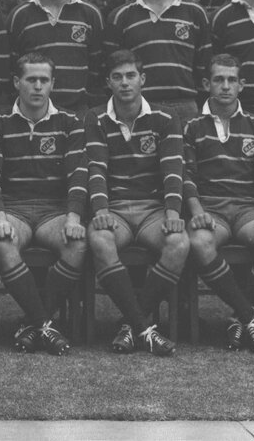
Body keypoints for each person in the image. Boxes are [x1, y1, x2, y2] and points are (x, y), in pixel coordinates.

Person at [182, 54, 254, 351]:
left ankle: (239, 316)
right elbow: (186, 175)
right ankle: (250, 316)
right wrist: (197, 211)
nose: (225, 86)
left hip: (246, 209)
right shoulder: (191, 126)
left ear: (242, 85)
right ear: (206, 84)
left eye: (232, 80)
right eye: (218, 80)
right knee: (199, 242)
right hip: (210, 208)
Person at [85, 49, 187, 356]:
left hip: (152, 209)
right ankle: (143, 327)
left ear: (142, 79)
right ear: (108, 82)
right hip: (115, 208)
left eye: (131, 76)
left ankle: (131, 324)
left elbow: (173, 169)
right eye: (117, 77)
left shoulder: (166, 117)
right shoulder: (95, 118)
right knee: (100, 239)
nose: (125, 83)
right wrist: (101, 211)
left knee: (179, 243)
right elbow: (96, 168)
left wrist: (172, 212)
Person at [0, 52, 87, 355]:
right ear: (17, 82)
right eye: (31, 79)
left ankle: (33, 323)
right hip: (14, 209)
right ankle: (46, 324)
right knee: (3, 241)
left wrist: (73, 218)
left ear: (53, 83)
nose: (38, 86)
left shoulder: (70, 122)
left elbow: (78, 175)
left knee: (77, 244)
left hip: (53, 211)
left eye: (44, 80)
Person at [104, 0, 210, 125]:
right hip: (138, 107)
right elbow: (112, 71)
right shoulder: (121, 17)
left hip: (185, 108)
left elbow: (204, 69)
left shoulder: (195, 14)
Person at [7, 0, 104, 117]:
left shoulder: (90, 15)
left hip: (79, 116)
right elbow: (12, 70)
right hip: (34, 116)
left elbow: (97, 71)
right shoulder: (19, 16)